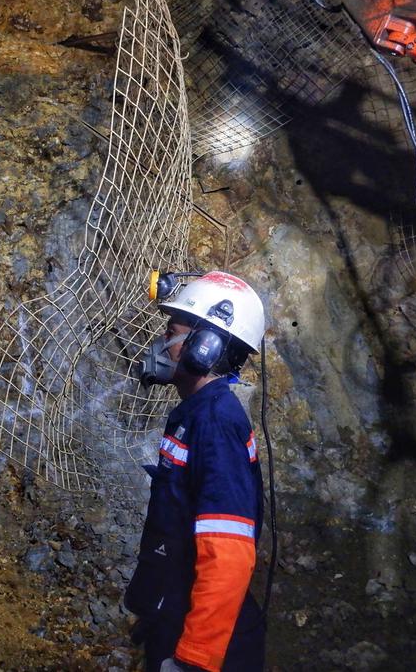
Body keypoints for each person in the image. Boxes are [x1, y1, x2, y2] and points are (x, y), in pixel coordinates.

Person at [127, 270, 267, 672]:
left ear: (203, 347)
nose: (162, 343)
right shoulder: (197, 413)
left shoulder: (216, 422)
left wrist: (195, 659)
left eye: (172, 331)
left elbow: (229, 550)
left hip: (208, 646)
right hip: (177, 613)